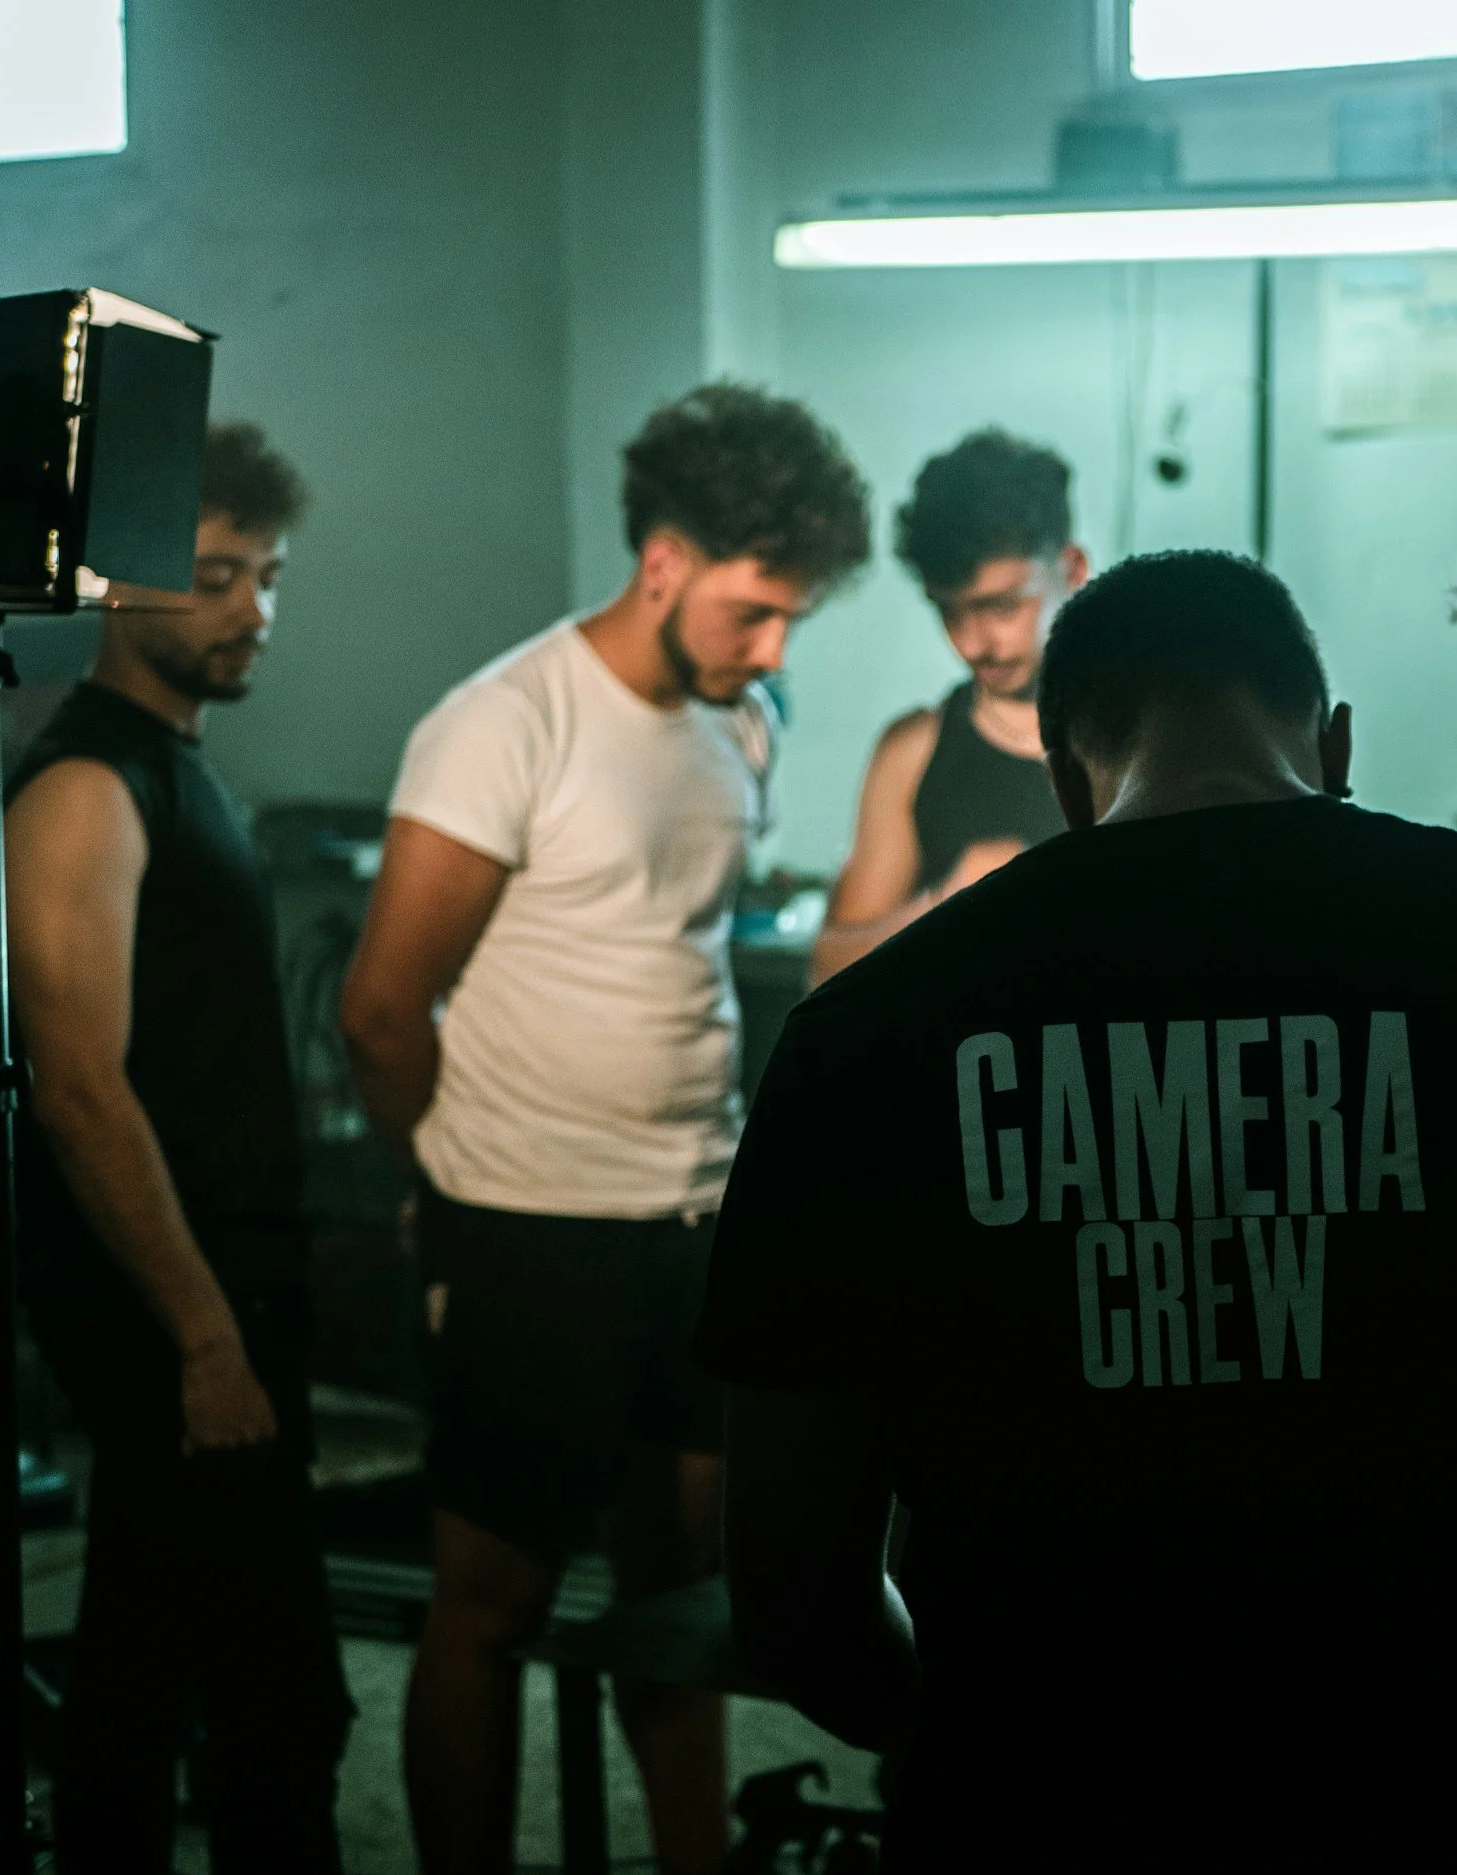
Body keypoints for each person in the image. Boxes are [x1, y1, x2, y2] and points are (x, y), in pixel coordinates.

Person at [697, 549, 1457, 1873]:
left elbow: (794, 1589)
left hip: (1028, 1803)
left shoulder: (863, 1034)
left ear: (1064, 779)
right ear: (1335, 744)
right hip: (1430, 1791)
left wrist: (974, 1717)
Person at [338, 383, 871, 1875]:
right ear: (663, 561)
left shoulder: (740, 717)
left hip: (697, 1218)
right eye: (756, 610)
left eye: (793, 621)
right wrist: (445, 1186)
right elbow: (381, 1011)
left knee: (677, 1593)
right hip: (528, 1231)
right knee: (491, 1605)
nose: (773, 651)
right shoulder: (503, 722)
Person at [7, 422, 348, 1873]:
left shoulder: (181, 769)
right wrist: (206, 1336)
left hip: (221, 1288)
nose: (252, 607)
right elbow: (77, 1086)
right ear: (110, 585)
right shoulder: (87, 784)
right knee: (284, 1699)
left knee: (141, 1665)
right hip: (170, 1305)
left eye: (265, 574)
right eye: (214, 574)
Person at [807, 430, 1084, 985]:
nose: (975, 642)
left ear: (1072, 570)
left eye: (1004, 606)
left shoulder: (1146, 733)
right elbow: (826, 971)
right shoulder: (915, 749)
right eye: (951, 613)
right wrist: (946, 903)